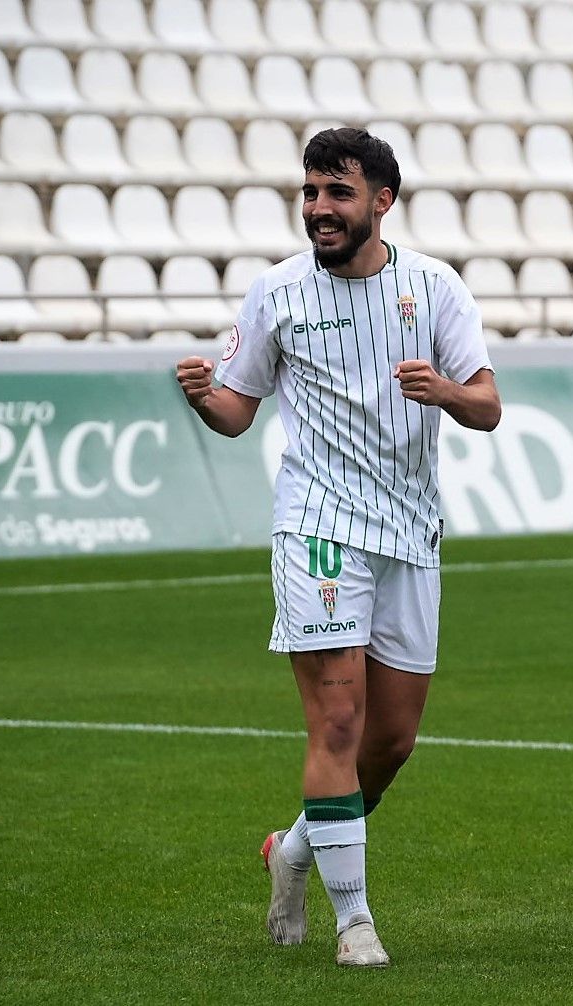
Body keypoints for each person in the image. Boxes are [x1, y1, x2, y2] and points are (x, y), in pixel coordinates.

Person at [175, 127, 501, 968]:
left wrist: (446, 392)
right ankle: (354, 921)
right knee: (338, 720)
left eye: (338, 193)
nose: (320, 209)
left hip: (411, 533)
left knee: (389, 743)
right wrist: (205, 398)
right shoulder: (276, 293)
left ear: (381, 201)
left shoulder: (433, 288)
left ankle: (292, 852)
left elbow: (488, 407)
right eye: (312, 192)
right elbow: (238, 414)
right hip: (317, 527)